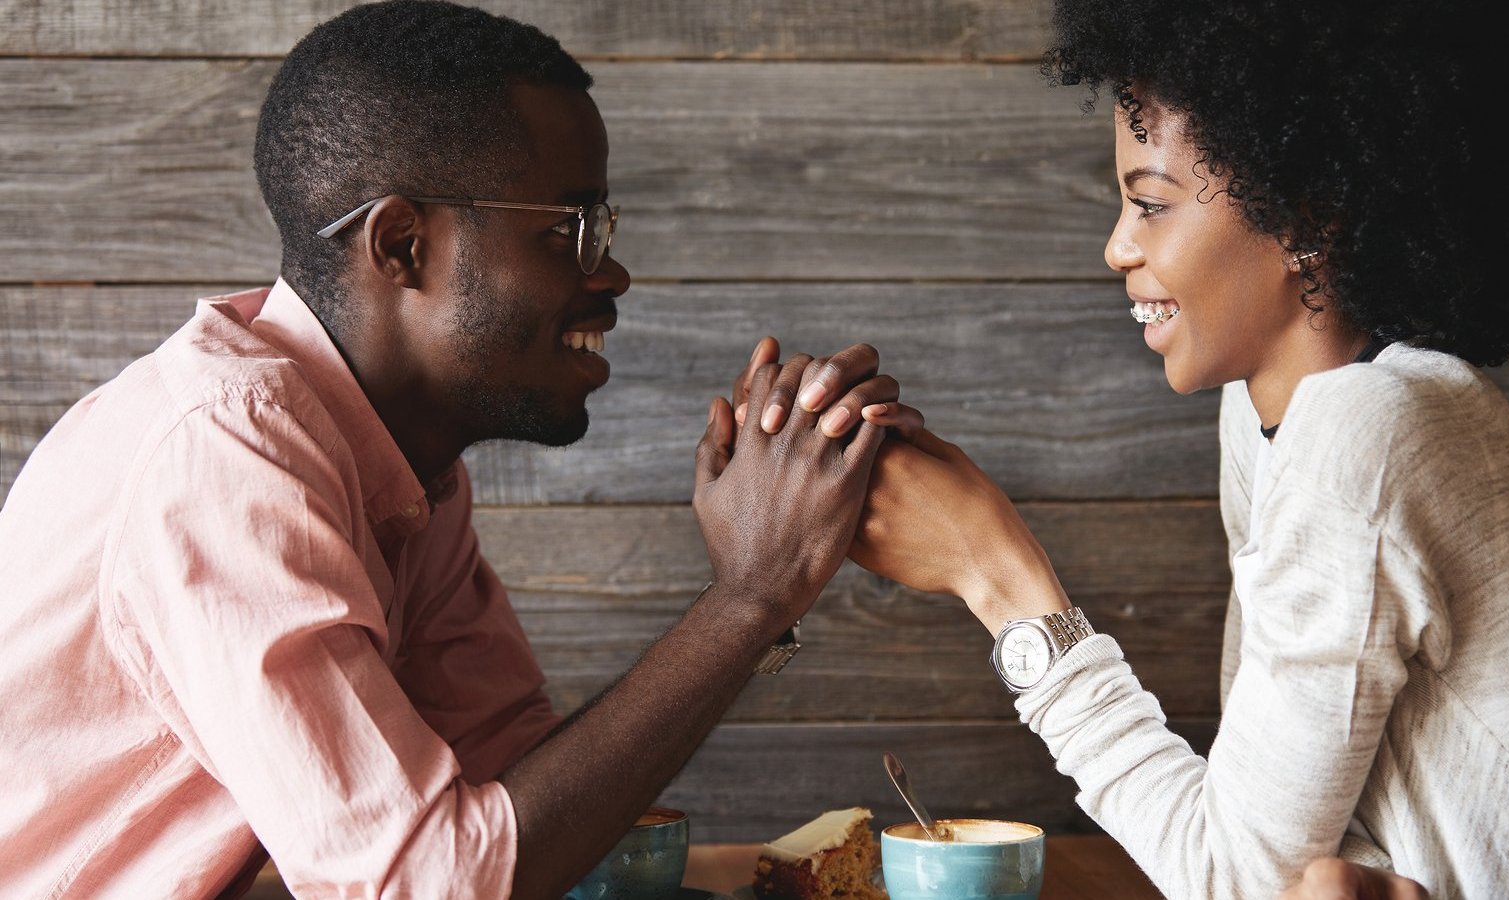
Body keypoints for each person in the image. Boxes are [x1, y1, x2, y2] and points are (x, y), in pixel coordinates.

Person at [0, 2, 918, 896]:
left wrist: (775, 533)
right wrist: (750, 597)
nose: (612, 274)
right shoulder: (225, 463)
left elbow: (517, 789)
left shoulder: (405, 470)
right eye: (570, 230)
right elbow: (433, 883)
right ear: (402, 244)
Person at [826, 0, 1509, 896]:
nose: (1118, 245)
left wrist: (1001, 580)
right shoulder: (1269, 412)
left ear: (1309, 218)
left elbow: (1233, 877)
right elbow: (1289, 840)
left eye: (1151, 204)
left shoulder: (1369, 432)